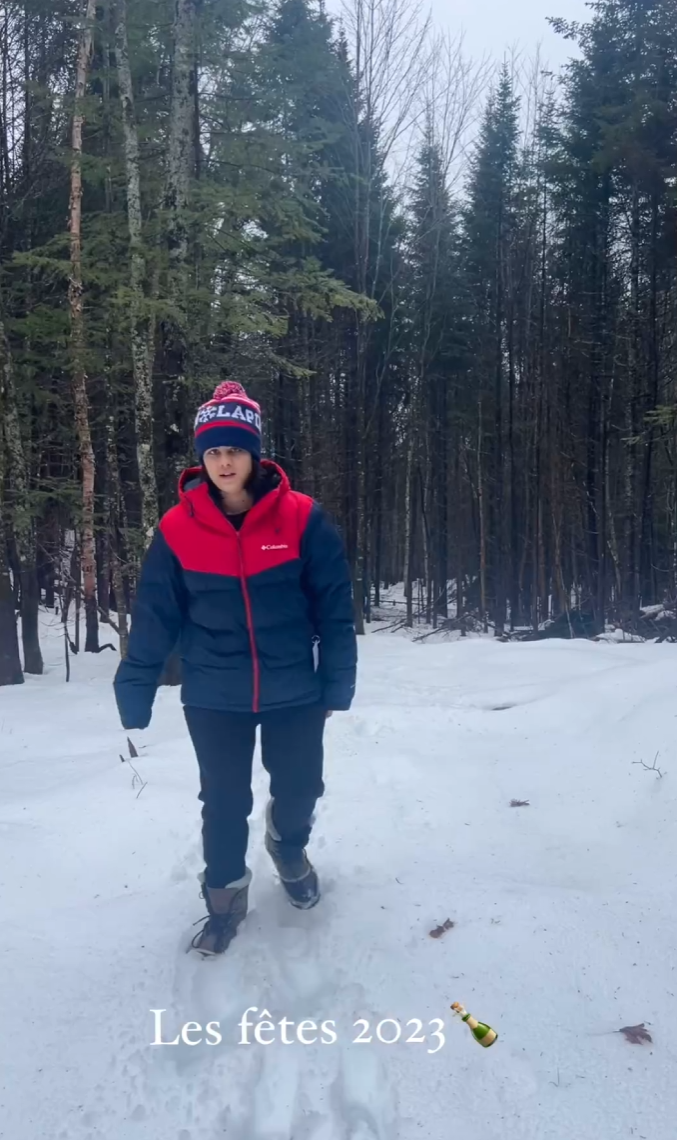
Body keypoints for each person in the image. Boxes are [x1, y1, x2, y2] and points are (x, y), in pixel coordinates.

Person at [113, 381, 357, 956]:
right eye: (214, 452)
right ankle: (223, 901)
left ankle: (288, 846)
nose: (224, 462)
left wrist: (338, 680)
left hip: (295, 686)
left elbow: (336, 607)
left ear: (255, 454)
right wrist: (137, 682)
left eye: (235, 450)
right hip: (213, 691)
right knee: (223, 800)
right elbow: (154, 613)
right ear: (202, 458)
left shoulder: (302, 519)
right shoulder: (177, 528)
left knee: (301, 786)